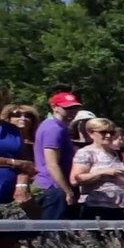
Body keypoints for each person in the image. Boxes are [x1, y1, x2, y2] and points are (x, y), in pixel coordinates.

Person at [69, 118, 124, 222]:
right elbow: (75, 179)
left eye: (111, 132)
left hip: (121, 208)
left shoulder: (116, 152)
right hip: (97, 209)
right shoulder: (86, 152)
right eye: (103, 132)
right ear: (91, 133)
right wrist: (103, 172)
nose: (108, 135)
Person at [33, 91, 83, 220]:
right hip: (52, 187)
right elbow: (52, 164)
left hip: (53, 187)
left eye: (75, 107)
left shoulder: (58, 127)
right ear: (54, 107)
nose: (72, 111)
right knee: (53, 230)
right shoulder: (53, 129)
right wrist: (67, 191)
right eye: (67, 108)